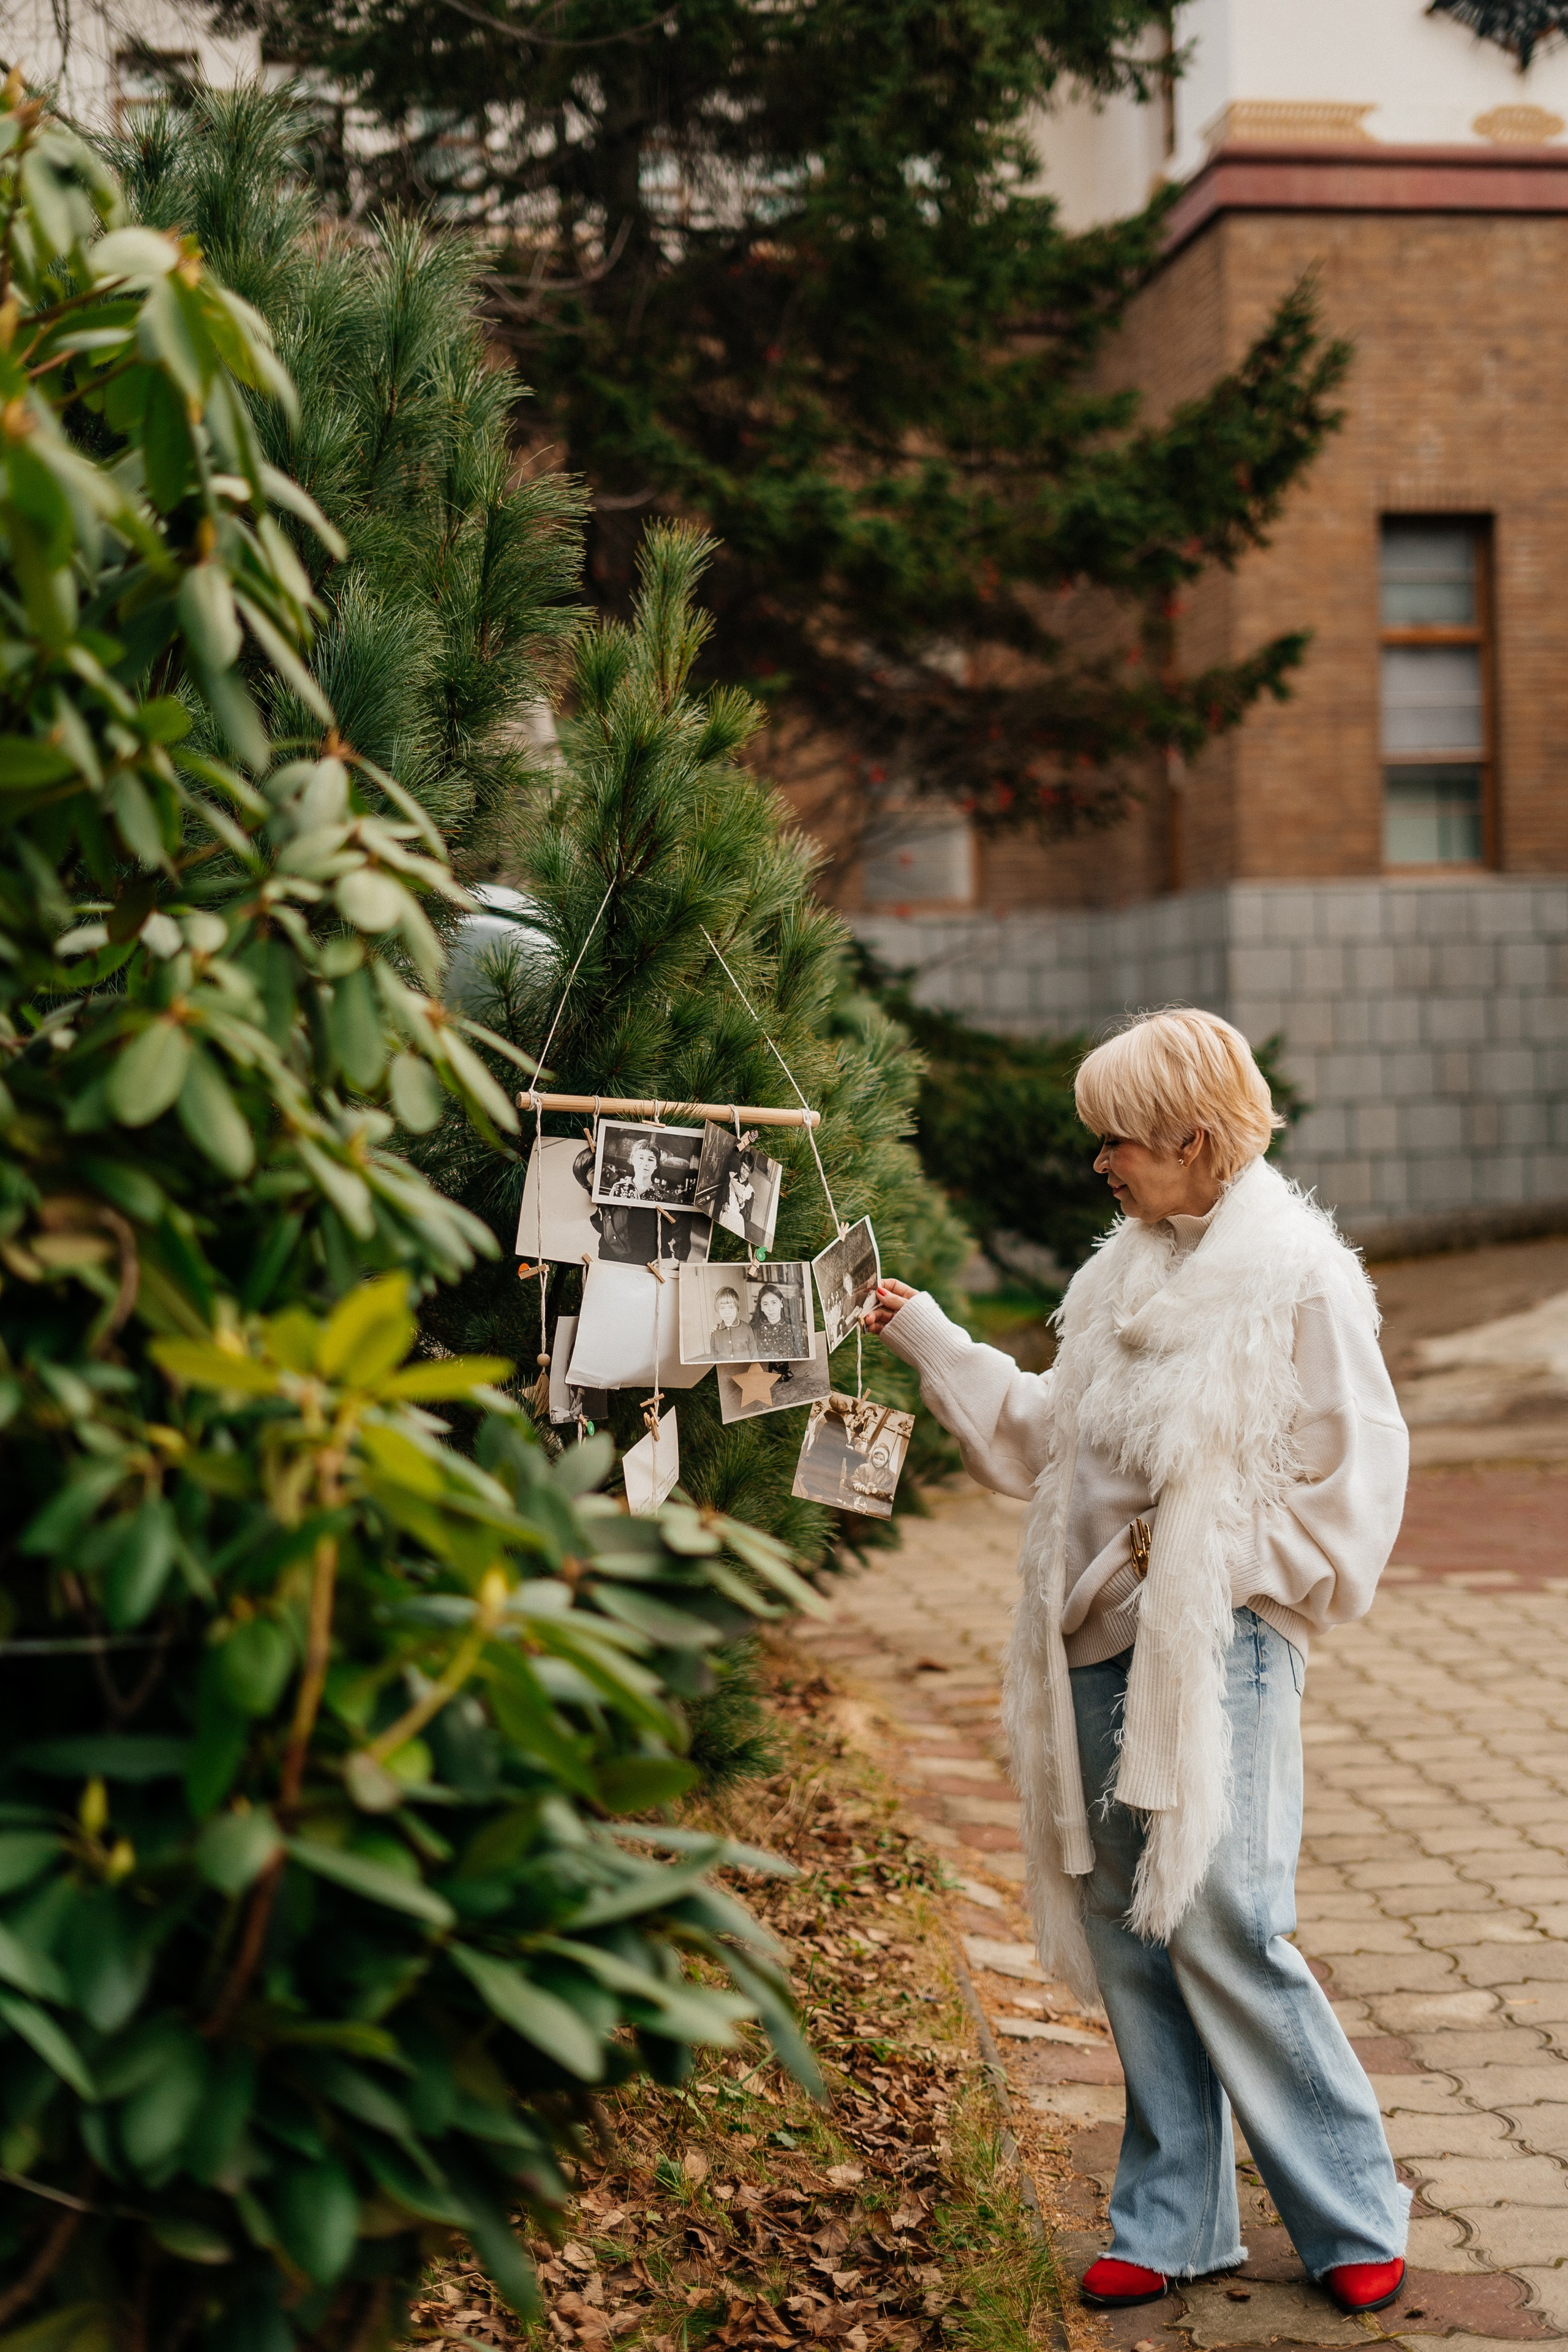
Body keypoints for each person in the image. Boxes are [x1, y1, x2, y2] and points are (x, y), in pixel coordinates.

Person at [864, 1008, 1411, 2319]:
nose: (1097, 1162)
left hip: (1215, 1646)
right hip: (1092, 1645)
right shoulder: (1121, 1274)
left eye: (1113, 1138)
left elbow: (1355, 1481)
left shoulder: (1297, 1276)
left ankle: (1349, 2207)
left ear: (1192, 1137)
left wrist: (1206, 1571)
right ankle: (1172, 2221)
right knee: (1129, 1933)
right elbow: (1048, 1443)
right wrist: (927, 1332)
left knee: (1222, 1916)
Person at [755, 1281, 807, 1359]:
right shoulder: (756, 1331)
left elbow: (803, 1358)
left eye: (774, 1303)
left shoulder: (794, 1328)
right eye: (766, 1304)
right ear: (761, 1307)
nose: (771, 1309)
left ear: (781, 1303)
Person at [707, 1285, 758, 1359]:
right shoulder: (715, 1332)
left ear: (737, 1309)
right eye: (722, 1308)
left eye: (731, 1307)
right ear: (718, 1310)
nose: (727, 1312)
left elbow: (754, 1354)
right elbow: (713, 1357)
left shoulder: (747, 1328)